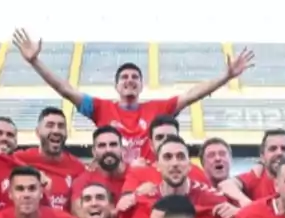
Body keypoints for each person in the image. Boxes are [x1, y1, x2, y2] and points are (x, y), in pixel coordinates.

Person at [13, 28, 252, 162]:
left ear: (141, 85)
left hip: (148, 179)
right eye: (124, 78)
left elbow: (191, 95)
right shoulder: (100, 108)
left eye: (134, 77)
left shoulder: (158, 109)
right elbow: (65, 89)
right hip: (112, 179)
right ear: (117, 86)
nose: (129, 81)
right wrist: (35, 61)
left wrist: (226, 77)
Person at [12, 107, 87, 211]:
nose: (56, 130)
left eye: (61, 126)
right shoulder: (19, 160)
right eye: (50, 125)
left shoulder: (78, 168)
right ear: (38, 132)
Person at [220, 129, 285, 205]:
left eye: (284, 149)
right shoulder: (257, 176)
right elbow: (225, 185)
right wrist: (248, 205)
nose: (279, 153)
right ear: (262, 156)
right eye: (273, 149)